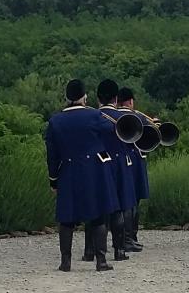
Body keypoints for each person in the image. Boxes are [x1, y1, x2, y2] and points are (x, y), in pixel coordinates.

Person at [45, 79, 119, 272]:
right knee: (97, 216)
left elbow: (52, 155)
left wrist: (53, 179)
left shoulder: (55, 121)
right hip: (94, 170)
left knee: (67, 218)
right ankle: (101, 261)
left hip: (68, 171)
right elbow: (113, 130)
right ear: (84, 96)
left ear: (67, 97)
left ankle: (65, 262)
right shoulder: (95, 115)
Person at [81, 79, 137, 262]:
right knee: (119, 208)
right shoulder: (126, 117)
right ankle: (119, 250)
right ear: (115, 98)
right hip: (120, 164)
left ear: (98, 98)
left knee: (95, 208)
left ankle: (90, 250)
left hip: (97, 164)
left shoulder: (91, 117)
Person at [117, 86, 148, 252]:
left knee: (127, 200)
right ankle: (130, 237)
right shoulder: (138, 117)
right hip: (136, 161)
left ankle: (126, 237)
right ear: (130, 101)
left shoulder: (113, 116)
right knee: (133, 201)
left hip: (121, 161)